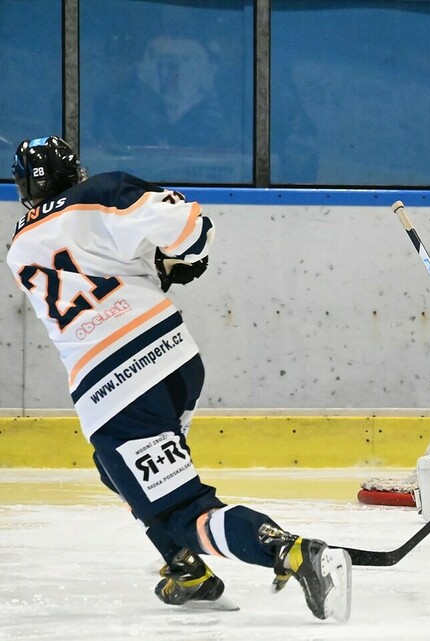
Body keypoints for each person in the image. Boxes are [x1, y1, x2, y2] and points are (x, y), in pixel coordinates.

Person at [6, 136, 351, 621]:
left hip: (116, 389)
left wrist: (157, 267)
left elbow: (87, 277)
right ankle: (187, 571)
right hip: (175, 360)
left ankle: (294, 552)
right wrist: (177, 257)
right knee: (115, 471)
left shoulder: (19, 247)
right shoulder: (101, 192)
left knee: (181, 511)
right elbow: (189, 227)